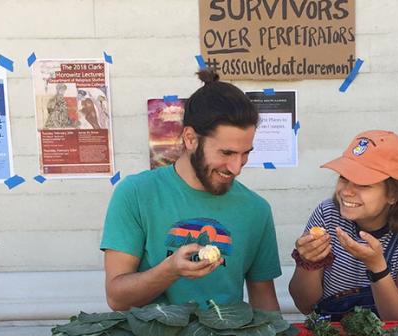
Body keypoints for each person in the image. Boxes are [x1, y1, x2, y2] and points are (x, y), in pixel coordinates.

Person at [101, 69, 281, 310]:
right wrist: (170, 270)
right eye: (226, 153)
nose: (236, 168)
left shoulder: (256, 209)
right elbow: (116, 298)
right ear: (190, 138)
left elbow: (264, 301)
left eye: (245, 153)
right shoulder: (136, 194)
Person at [290, 130, 398, 320]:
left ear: (393, 195)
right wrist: (309, 262)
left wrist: (377, 268)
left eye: (363, 184)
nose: (347, 192)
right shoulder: (328, 214)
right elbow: (304, 305)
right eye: (344, 178)